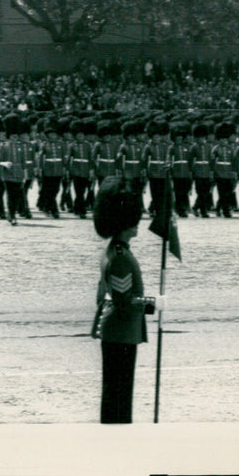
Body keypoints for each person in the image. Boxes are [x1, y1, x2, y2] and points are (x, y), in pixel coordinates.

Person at [93, 176, 163, 424]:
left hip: (117, 330)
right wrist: (154, 304)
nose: (137, 226)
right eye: (133, 222)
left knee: (117, 390)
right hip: (121, 330)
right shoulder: (122, 257)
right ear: (124, 223)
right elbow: (125, 301)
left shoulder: (117, 250)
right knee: (119, 393)